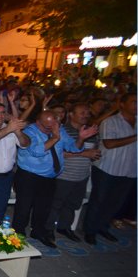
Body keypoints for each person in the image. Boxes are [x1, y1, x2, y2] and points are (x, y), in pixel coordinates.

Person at [13, 111, 97, 248]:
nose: (52, 129)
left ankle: (38, 232)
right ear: (38, 122)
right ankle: (18, 234)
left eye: (54, 125)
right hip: (29, 175)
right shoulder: (29, 131)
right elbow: (36, 151)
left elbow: (73, 148)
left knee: (44, 207)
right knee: (24, 207)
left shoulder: (59, 129)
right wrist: (55, 137)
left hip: (49, 176)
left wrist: (81, 138)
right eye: (47, 127)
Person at [84, 93, 136, 245]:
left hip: (130, 169)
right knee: (99, 200)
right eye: (134, 102)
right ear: (122, 105)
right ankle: (90, 230)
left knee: (116, 202)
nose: (137, 105)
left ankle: (103, 227)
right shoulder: (110, 122)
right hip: (108, 168)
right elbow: (109, 144)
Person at [45, 103, 100, 242]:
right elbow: (58, 153)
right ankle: (48, 228)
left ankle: (64, 227)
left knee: (72, 204)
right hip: (64, 175)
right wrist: (84, 154)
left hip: (81, 175)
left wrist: (93, 153)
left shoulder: (91, 132)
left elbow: (93, 152)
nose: (85, 115)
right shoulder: (63, 131)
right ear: (71, 115)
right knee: (55, 204)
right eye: (82, 112)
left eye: (87, 113)